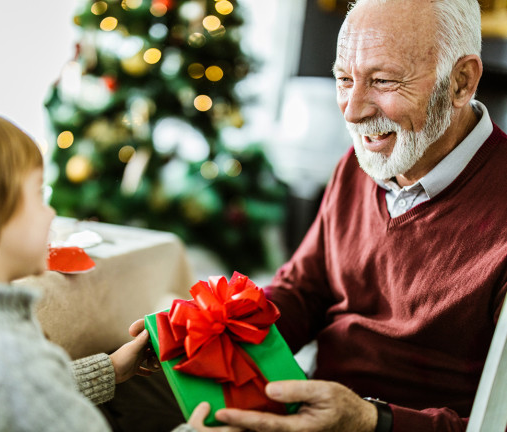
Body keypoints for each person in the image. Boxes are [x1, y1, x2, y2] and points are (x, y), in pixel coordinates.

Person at [205, 0, 507, 431]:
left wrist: (371, 421)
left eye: (383, 81)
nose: (351, 110)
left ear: (461, 82)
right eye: (344, 79)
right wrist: (220, 329)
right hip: (315, 408)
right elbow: (302, 290)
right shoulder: (358, 163)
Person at [0, 105, 239, 432]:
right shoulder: (13, 364)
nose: (51, 212)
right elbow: (21, 386)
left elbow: (19, 402)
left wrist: (110, 369)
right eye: (37, 193)